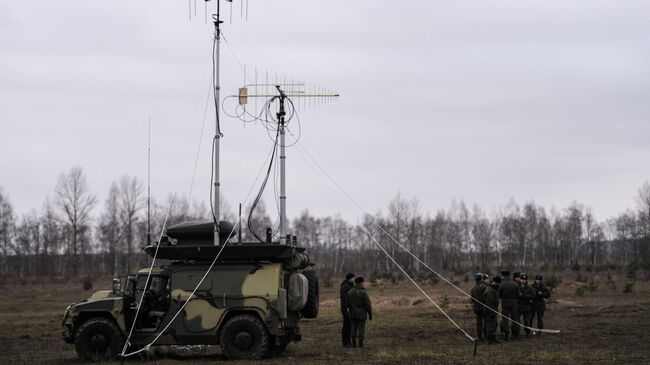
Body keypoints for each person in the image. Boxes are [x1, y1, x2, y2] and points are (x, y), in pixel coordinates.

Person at [347, 276, 372, 348]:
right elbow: (367, 305)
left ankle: (353, 343)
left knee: (353, 329)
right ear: (360, 283)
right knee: (361, 329)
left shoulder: (350, 292)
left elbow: (347, 304)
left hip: (352, 313)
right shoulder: (363, 292)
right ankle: (360, 343)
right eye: (362, 283)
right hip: (361, 314)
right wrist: (370, 314)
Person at [498, 270, 519, 341]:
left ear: (503, 276)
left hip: (505, 303)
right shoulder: (515, 284)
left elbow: (499, 294)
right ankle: (515, 333)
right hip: (513, 302)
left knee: (505, 319)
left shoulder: (502, 284)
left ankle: (506, 334)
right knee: (515, 319)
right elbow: (518, 294)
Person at [484, 275, 501, 344]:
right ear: (495, 282)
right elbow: (489, 303)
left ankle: (493, 337)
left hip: (493, 309)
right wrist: (492, 312)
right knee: (490, 325)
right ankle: (490, 339)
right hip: (490, 310)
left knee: (494, 324)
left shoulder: (492, 289)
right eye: (498, 283)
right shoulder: (490, 291)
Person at [517, 274, 535, 338]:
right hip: (518, 306)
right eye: (522, 279)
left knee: (527, 321)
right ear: (520, 279)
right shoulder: (517, 286)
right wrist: (525, 296)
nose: (523, 281)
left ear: (526, 280)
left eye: (524, 280)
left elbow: (533, 295)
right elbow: (516, 295)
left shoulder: (529, 287)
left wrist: (524, 296)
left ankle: (527, 333)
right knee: (517, 321)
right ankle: (516, 333)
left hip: (526, 306)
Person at [470, 272, 487, 342]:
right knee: (486, 322)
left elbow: (472, 300)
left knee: (479, 323)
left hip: (477, 308)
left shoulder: (473, 288)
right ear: (481, 278)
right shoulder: (484, 286)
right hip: (484, 307)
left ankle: (480, 337)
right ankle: (486, 336)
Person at [340, 272, 355, 347]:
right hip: (346, 310)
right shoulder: (345, 287)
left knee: (349, 326)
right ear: (350, 278)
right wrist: (346, 309)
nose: (354, 279)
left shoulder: (349, 286)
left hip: (349, 309)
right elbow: (344, 299)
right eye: (353, 278)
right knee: (347, 326)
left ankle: (347, 342)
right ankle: (346, 342)